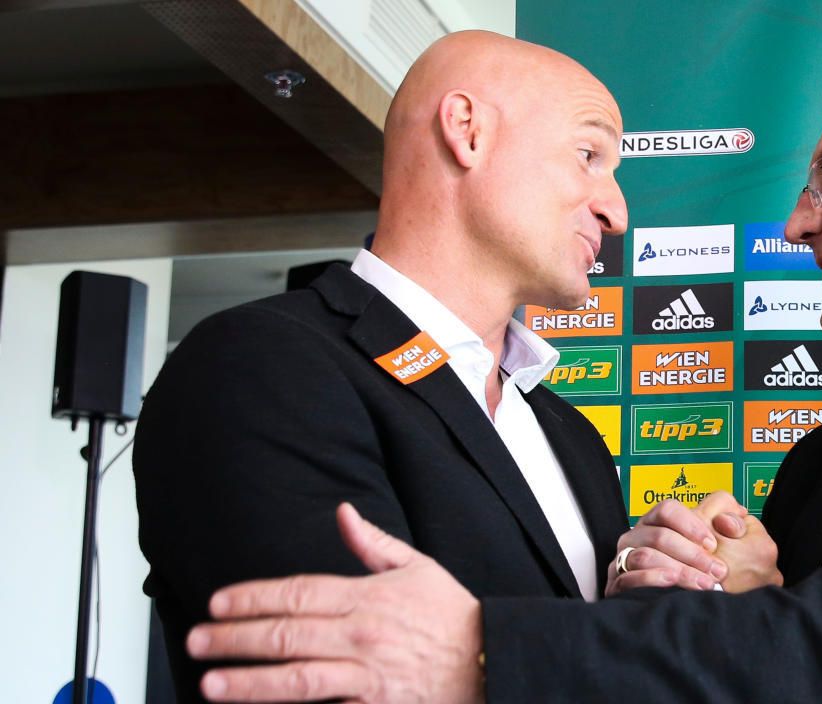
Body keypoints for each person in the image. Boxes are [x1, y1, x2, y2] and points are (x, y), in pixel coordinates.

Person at [182, 49, 822, 703]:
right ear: (466, 133)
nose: (798, 222)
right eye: (591, 157)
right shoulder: (819, 462)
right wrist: (743, 595)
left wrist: (488, 648)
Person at [130, 30, 692, 701]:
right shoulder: (257, 367)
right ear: (467, 131)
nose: (617, 211)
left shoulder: (571, 435)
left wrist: (648, 596)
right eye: (588, 155)